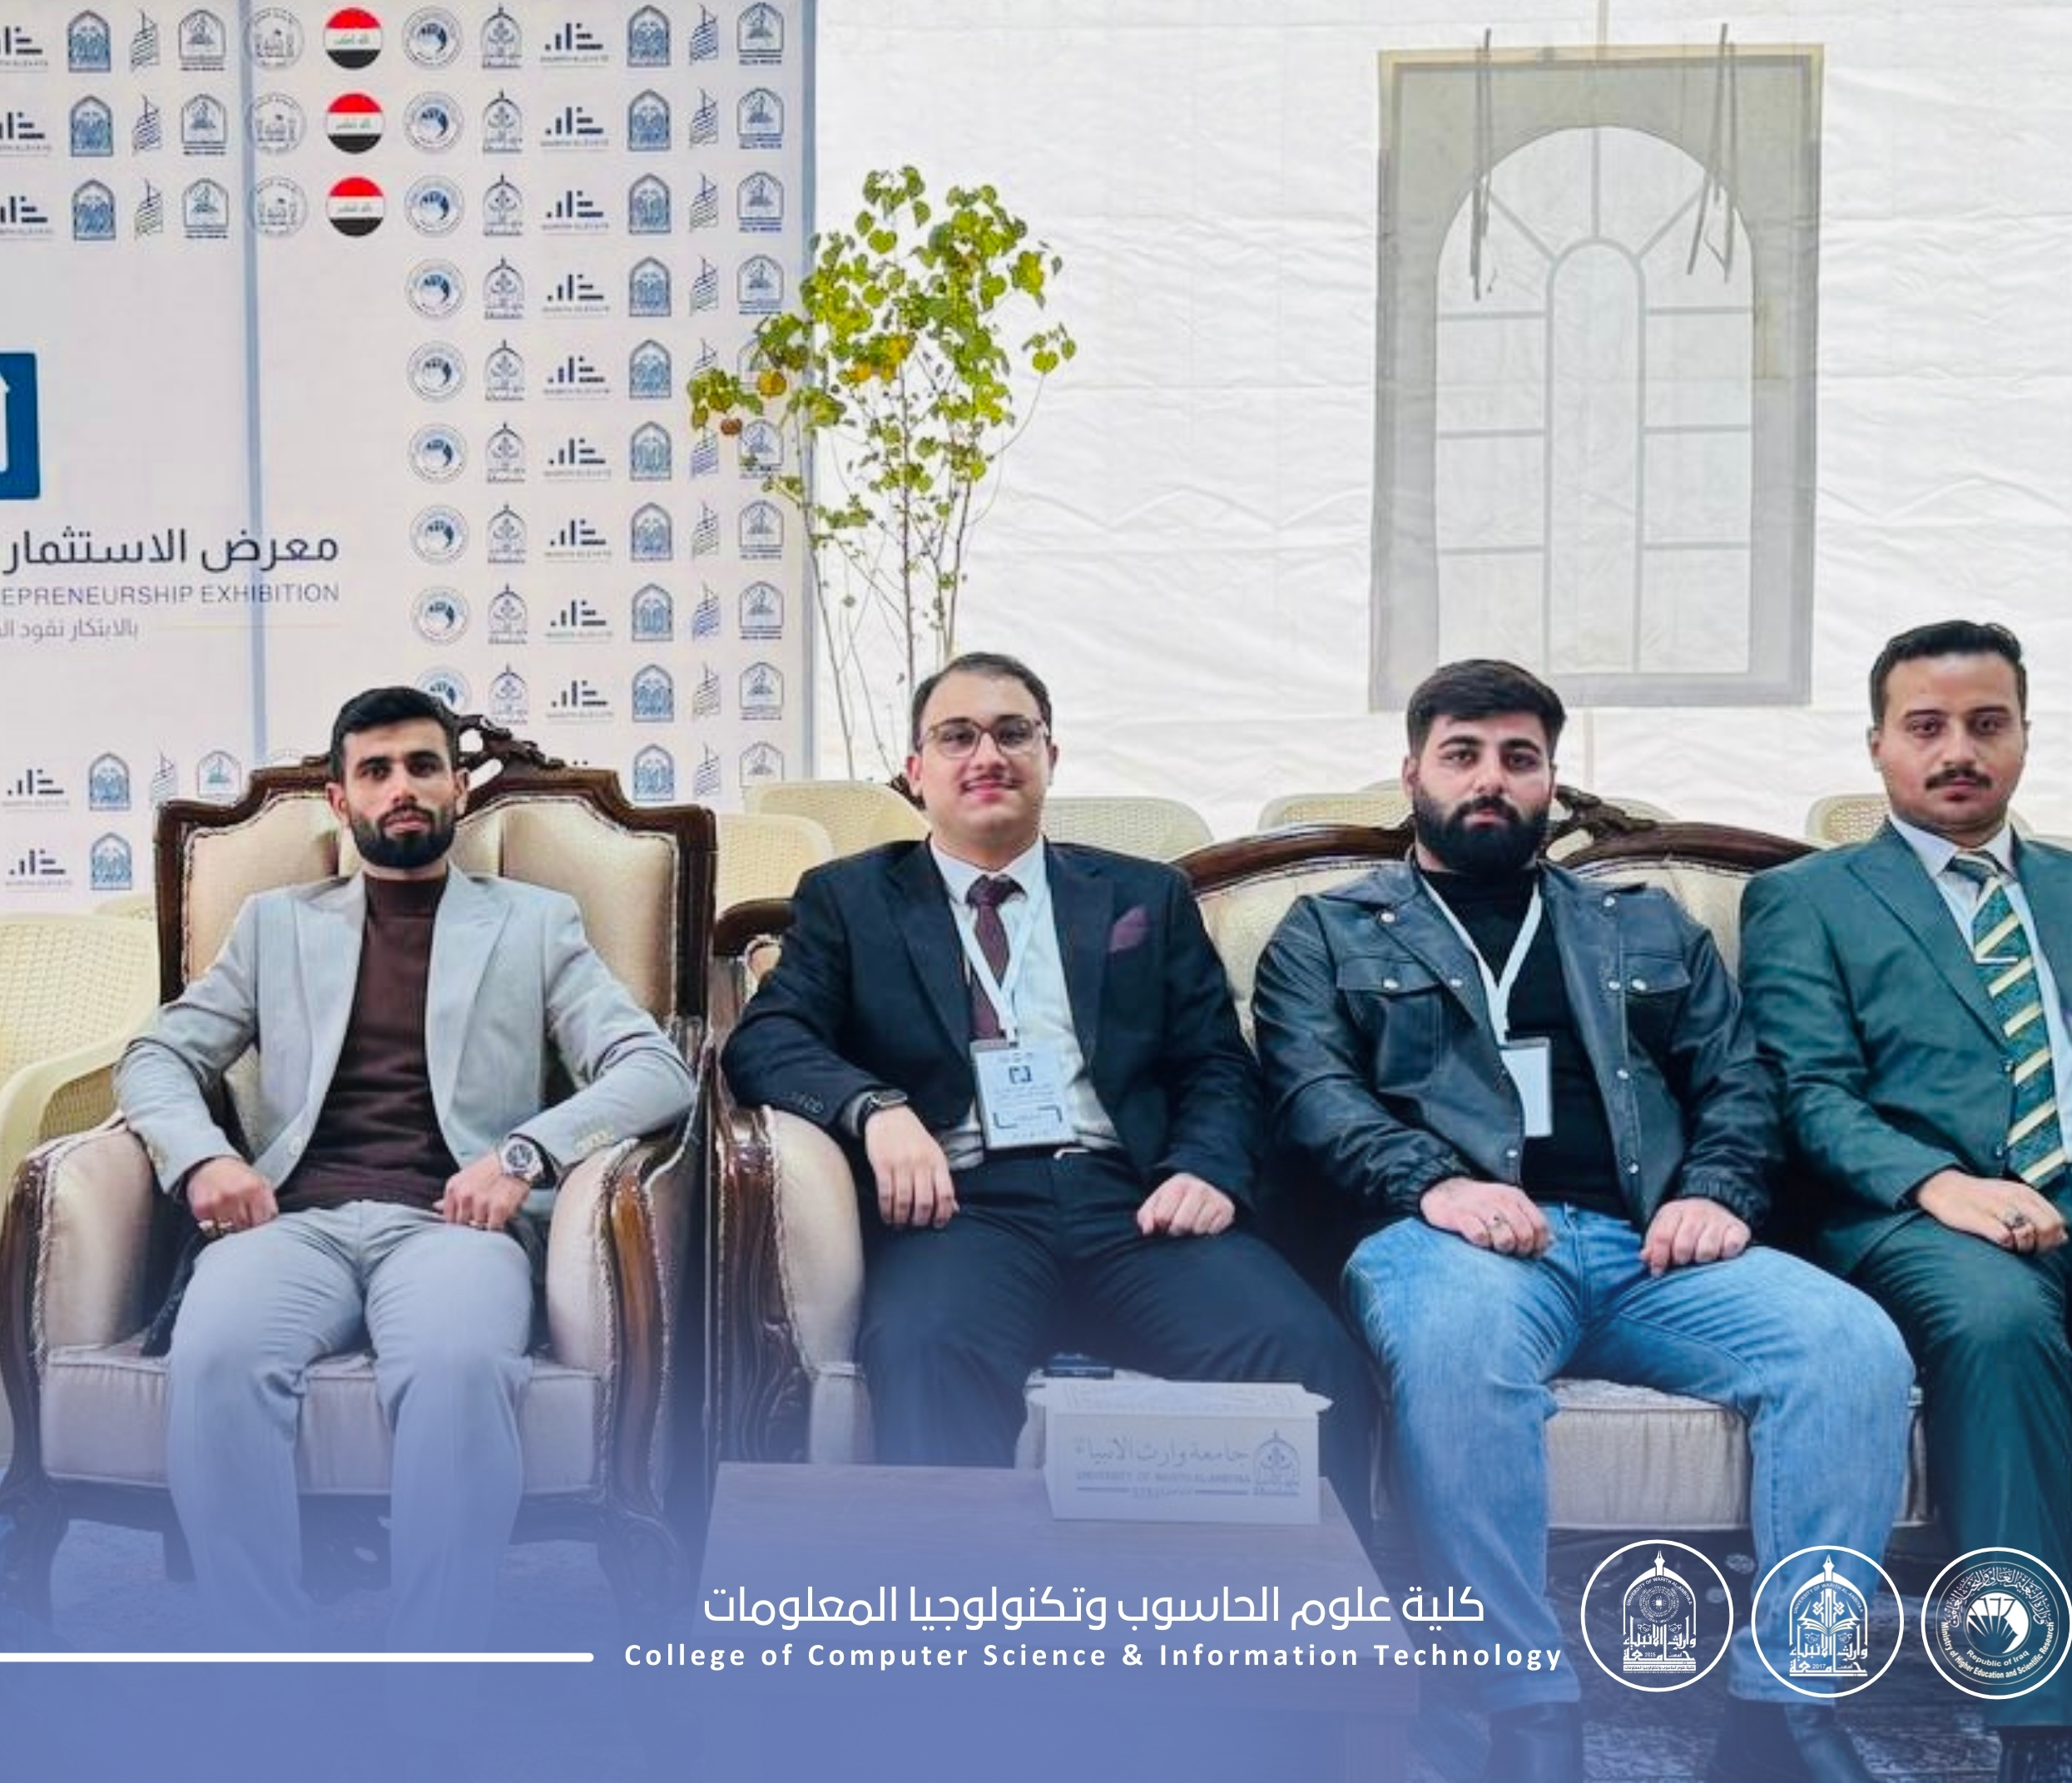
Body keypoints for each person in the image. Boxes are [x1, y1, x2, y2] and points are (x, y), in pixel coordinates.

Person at [1257, 658, 1910, 1783]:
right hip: (1448, 1243)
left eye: (1520, 758)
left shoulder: (1644, 925)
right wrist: (1434, 1181)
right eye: (1463, 754)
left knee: (1852, 1347)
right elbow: (1312, 1092)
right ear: (1410, 773)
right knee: (1458, 1349)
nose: (1491, 779)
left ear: (1552, 781)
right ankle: (1520, 1710)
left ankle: (1784, 1711)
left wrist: (1717, 1191)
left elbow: (1738, 1079)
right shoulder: (1327, 931)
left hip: (1650, 1244)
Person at [719, 651, 1374, 1518]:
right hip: (961, 1211)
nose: (986, 755)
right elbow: (767, 1039)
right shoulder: (851, 899)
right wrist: (874, 1109)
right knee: (924, 1352)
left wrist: (1206, 1167)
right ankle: (965, 1601)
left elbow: (1216, 1061)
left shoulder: (1143, 894)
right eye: (957, 736)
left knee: (1305, 1352)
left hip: (1136, 1204)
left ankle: (1293, 1600)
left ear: (1050, 756)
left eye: (1012, 732)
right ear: (916, 770)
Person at [118, 686, 691, 1647]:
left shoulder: (534, 923)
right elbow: (157, 1055)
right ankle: (262, 1677)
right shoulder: (273, 925)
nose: (402, 788)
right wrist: (204, 1156)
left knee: (459, 1370)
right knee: (214, 1359)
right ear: (339, 798)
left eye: (423, 766)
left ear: (458, 786)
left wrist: (524, 1152)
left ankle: (434, 1688)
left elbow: (656, 1069)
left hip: (453, 1224)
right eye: (375, 770)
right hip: (291, 1222)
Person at [1744, 621, 2072, 1783]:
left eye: (1985, 723)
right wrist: (1943, 1184)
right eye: (1926, 726)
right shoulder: (1805, 900)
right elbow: (1806, 1093)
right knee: (2000, 1329)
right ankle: (2039, 1722)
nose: (1957, 750)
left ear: (2022, 736)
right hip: (1922, 1213)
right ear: (1877, 744)